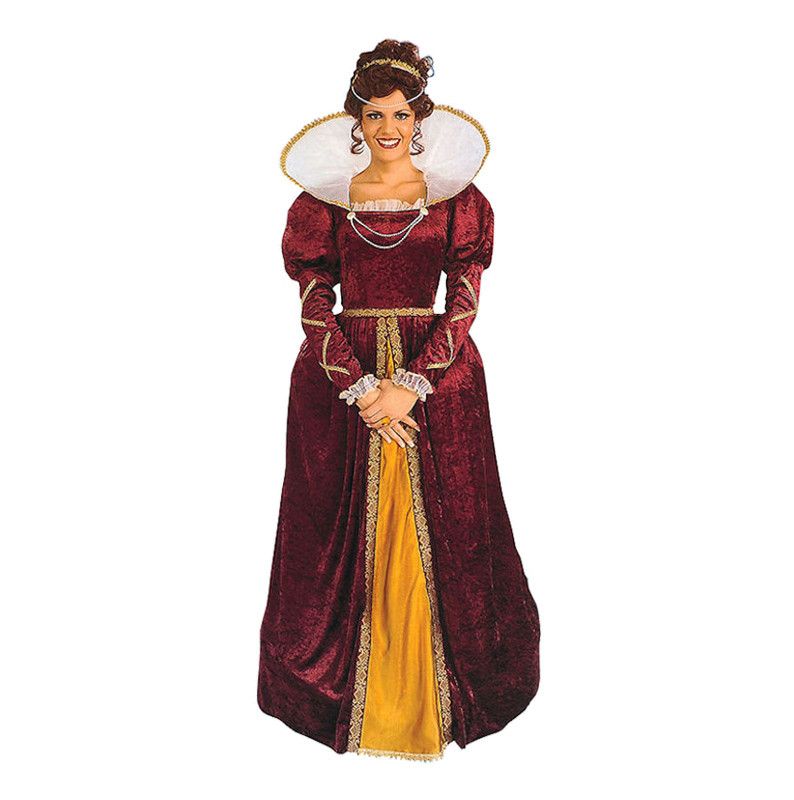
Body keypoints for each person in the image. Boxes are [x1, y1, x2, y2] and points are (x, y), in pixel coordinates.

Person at [257, 39, 541, 761]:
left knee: (456, 523)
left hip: (439, 383)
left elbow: (464, 299)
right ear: (357, 120)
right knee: (331, 525)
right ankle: (346, 692)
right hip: (339, 384)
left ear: (420, 118)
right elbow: (315, 302)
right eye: (375, 114)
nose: (389, 127)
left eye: (401, 114)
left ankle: (442, 691)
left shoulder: (458, 201)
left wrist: (411, 384)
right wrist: (360, 389)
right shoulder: (322, 204)